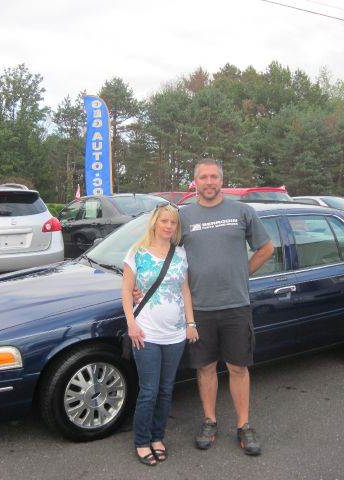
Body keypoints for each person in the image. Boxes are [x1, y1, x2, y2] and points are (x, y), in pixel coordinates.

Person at [179, 159, 274, 456]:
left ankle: (244, 425)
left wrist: (242, 273)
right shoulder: (183, 216)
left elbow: (267, 248)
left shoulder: (241, 211)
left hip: (236, 305)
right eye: (203, 177)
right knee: (205, 368)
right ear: (195, 182)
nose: (209, 182)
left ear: (222, 180)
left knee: (238, 367)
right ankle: (210, 421)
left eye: (214, 177)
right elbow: (162, 253)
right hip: (200, 308)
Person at [121, 204, 199, 466]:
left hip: (175, 335)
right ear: (155, 223)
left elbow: (185, 290)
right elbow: (126, 291)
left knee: (166, 390)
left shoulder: (180, 254)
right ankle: (142, 441)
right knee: (149, 391)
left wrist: (191, 323)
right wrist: (131, 323)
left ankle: (157, 437)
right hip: (146, 333)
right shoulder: (137, 253)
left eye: (173, 223)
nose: (168, 226)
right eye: (164, 221)